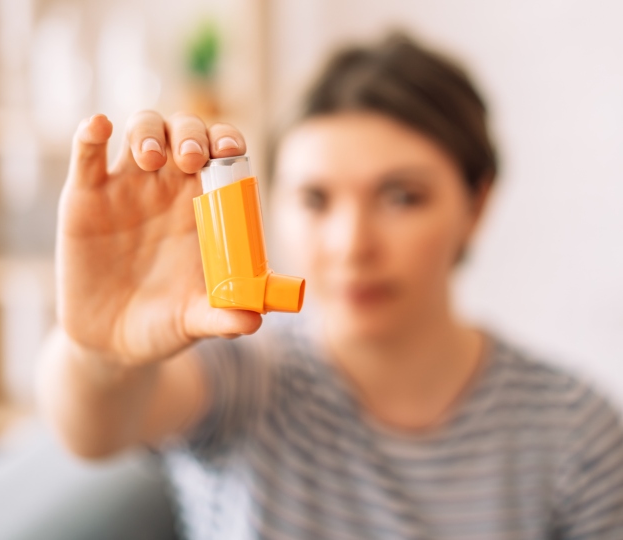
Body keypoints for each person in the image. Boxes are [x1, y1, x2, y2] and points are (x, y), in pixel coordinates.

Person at [37, 33, 623, 539]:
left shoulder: (574, 430)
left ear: (477, 203)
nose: (351, 244)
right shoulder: (246, 381)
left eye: (402, 197)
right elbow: (93, 430)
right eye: (315, 199)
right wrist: (102, 352)